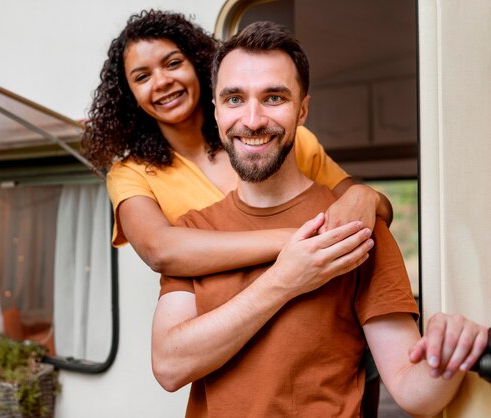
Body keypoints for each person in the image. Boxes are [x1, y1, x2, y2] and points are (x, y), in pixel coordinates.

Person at [151, 21, 489, 417]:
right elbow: (169, 367)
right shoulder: (194, 231)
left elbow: (413, 393)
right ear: (217, 110)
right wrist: (284, 281)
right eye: (235, 99)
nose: (254, 119)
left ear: (303, 109)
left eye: (274, 98)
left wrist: (448, 356)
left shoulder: (358, 230)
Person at [81, 10, 386, 415]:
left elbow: (368, 205)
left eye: (173, 63)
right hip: (228, 349)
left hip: (322, 344)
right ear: (129, 95)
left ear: (198, 66)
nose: (162, 81)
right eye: (142, 76)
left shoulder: (265, 139)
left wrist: (365, 195)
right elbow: (161, 249)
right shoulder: (131, 173)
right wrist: (295, 250)